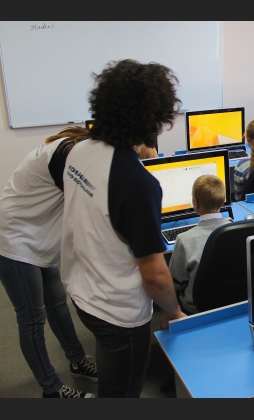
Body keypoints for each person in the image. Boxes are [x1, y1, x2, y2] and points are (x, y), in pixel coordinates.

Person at [60, 59, 186, 398]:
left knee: (110, 373)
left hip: (82, 287)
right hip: (119, 313)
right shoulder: (137, 182)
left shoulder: (79, 150)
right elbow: (155, 274)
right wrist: (172, 311)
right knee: (121, 393)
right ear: (152, 119)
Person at [0, 127, 97, 398]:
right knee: (32, 319)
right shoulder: (67, 154)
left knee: (57, 304)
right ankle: (51, 389)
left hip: (39, 235)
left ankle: (77, 361)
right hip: (15, 238)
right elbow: (91, 202)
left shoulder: (70, 148)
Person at [169, 175, 233, 314]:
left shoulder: (184, 240)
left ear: (195, 203)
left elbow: (175, 282)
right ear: (223, 200)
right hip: (232, 302)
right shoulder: (236, 231)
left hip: (196, 308)